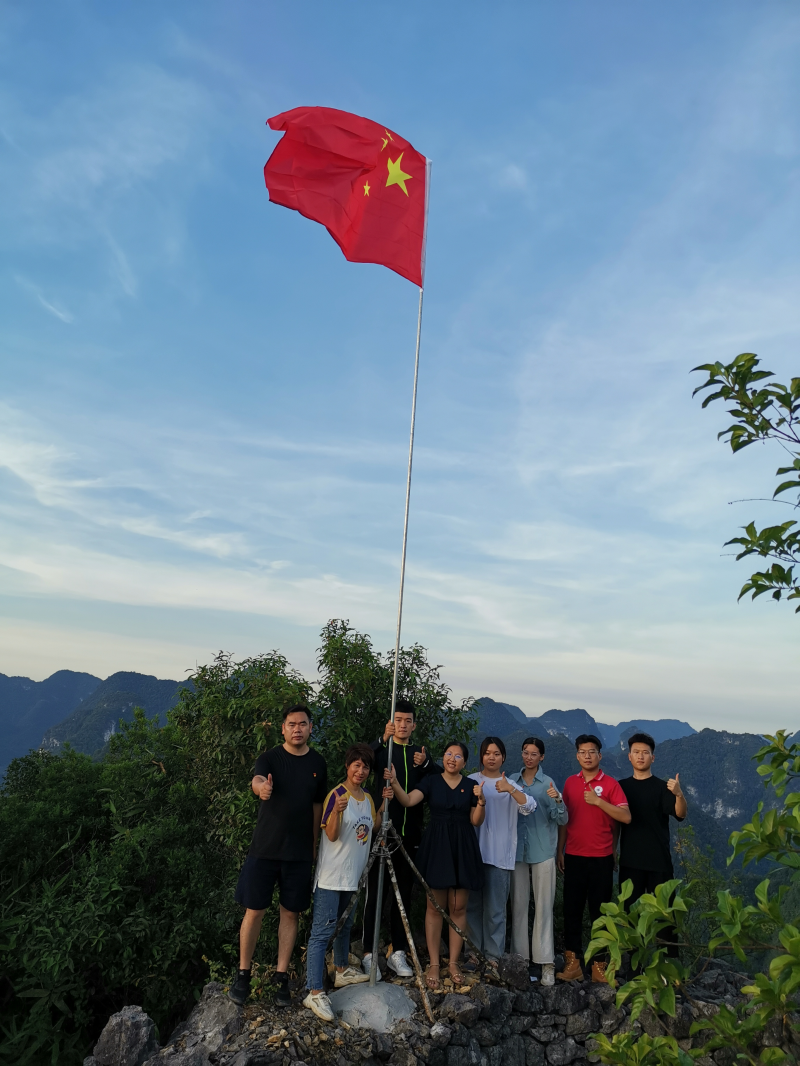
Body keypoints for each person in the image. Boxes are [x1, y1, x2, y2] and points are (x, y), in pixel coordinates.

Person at [229, 705, 328, 1007]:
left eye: (302, 724)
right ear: (283, 728)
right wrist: (262, 789)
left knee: (291, 913)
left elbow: (317, 806)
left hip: (299, 852)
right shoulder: (270, 758)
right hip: (265, 848)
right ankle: (243, 974)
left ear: (311, 727)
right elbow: (257, 780)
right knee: (254, 911)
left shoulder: (318, 763)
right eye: (291, 724)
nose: (297, 729)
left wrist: (314, 842)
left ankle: (281, 976)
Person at [303, 744, 394, 1021]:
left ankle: (341, 969)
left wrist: (383, 805)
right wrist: (336, 811)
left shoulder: (367, 798)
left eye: (365, 766)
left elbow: (372, 828)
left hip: (354, 877)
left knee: (344, 927)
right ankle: (314, 990)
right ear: (347, 766)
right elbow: (331, 835)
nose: (360, 771)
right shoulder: (336, 795)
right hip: (332, 876)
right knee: (322, 932)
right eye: (356, 765)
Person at [387, 740, 485, 989]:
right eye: (449, 754)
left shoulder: (470, 785)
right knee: (434, 907)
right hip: (438, 845)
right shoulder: (431, 781)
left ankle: (453, 962)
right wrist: (395, 783)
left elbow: (476, 820)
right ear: (443, 757)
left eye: (458, 756)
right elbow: (408, 800)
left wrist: (481, 801)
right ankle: (433, 963)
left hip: (462, 846)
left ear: (465, 762)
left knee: (458, 907)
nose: (452, 758)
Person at [362, 698, 440, 980]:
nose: (403, 725)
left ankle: (397, 951)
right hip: (381, 831)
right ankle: (369, 953)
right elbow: (361, 760)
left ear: (414, 725)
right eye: (398, 720)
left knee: (402, 895)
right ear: (391, 723)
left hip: (409, 836)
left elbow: (441, 779)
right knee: (375, 893)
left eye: (408, 721)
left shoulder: (419, 754)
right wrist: (381, 739)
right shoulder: (383, 751)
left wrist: (427, 762)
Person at [556, 733, 630, 985]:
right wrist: (560, 850)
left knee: (601, 914)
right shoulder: (570, 783)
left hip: (601, 857)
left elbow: (625, 816)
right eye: (582, 752)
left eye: (592, 752)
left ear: (600, 755)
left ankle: (600, 966)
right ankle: (573, 963)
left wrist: (598, 802)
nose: (587, 756)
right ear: (577, 756)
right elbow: (564, 818)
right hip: (574, 856)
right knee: (572, 911)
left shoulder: (610, 784)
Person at [466, 736, 536, 965]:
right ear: (481, 756)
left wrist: (509, 789)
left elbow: (529, 806)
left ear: (503, 758)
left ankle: (493, 956)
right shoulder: (471, 781)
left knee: (496, 910)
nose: (492, 757)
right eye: (487, 753)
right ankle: (473, 954)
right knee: (472, 907)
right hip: (473, 854)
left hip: (500, 855)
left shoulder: (510, 784)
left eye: (496, 754)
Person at [618, 732, 687, 956]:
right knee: (631, 916)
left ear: (652, 758)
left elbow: (680, 814)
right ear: (629, 756)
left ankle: (669, 967)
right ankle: (634, 968)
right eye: (636, 752)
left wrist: (679, 795)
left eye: (645, 752)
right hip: (630, 861)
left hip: (659, 862)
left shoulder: (662, 787)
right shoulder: (620, 787)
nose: (640, 756)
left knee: (665, 917)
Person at [508, 737, 568, 987]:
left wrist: (558, 800)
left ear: (541, 757)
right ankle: (520, 962)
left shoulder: (548, 783)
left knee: (544, 907)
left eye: (534, 754)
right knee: (518, 905)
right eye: (526, 752)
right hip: (517, 851)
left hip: (543, 849)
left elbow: (562, 819)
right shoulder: (512, 780)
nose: (529, 757)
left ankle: (546, 964)